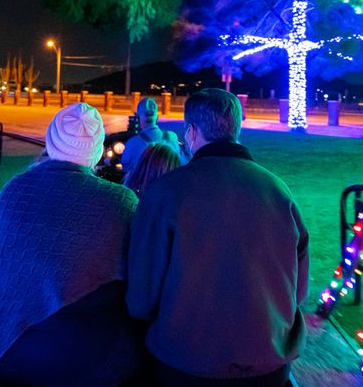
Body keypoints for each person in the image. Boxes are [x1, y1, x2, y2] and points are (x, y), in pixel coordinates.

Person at [126, 88, 309, 386]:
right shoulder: (279, 191)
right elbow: (299, 293)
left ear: (192, 132)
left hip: (186, 365)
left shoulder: (166, 193)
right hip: (270, 364)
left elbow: (141, 300)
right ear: (236, 129)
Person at [0, 103, 145, 386]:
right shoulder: (122, 202)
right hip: (84, 357)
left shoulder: (13, 190)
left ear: (52, 140)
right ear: (94, 149)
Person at [120, 97, 185, 171]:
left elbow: (125, 169)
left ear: (138, 118)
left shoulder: (133, 142)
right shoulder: (172, 137)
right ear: (157, 118)